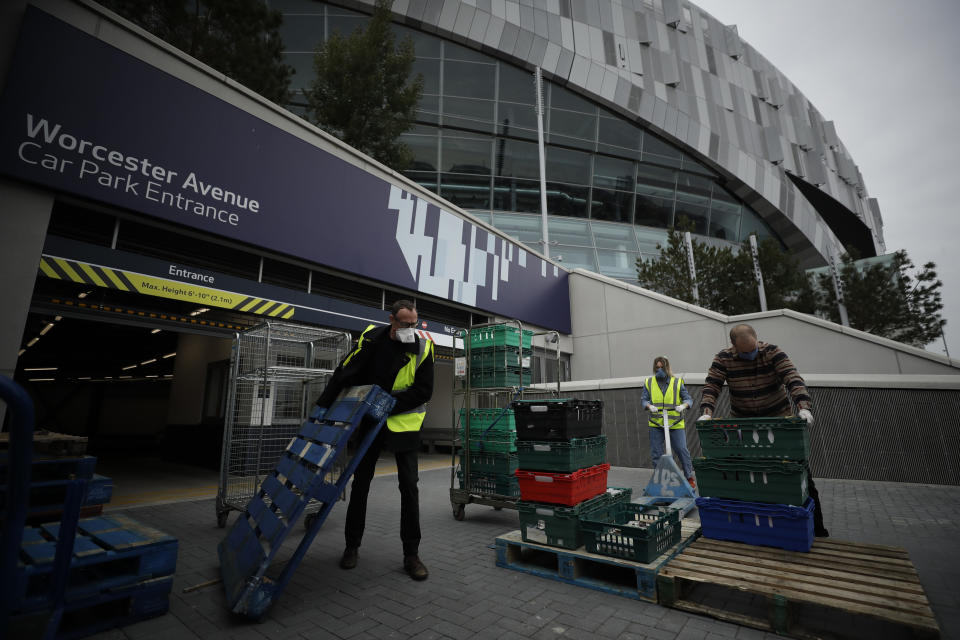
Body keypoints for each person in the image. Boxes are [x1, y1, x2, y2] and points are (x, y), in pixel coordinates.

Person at [314, 300, 435, 580]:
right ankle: (351, 547)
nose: (410, 329)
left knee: (409, 488)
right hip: (369, 424)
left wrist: (388, 404)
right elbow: (345, 372)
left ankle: (412, 554)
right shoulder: (371, 338)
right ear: (392, 320)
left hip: (404, 425)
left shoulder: (423, 347)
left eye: (414, 324)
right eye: (405, 324)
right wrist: (323, 407)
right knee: (361, 485)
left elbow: (424, 391)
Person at [698, 323, 828, 537]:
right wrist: (706, 412)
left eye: (753, 350)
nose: (750, 354)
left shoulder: (773, 352)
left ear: (757, 340)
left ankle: (818, 529)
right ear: (734, 347)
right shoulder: (723, 358)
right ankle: (751, 526)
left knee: (798, 474)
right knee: (747, 476)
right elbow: (712, 386)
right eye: (744, 352)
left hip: (779, 423)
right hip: (745, 427)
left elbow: (793, 378)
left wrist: (803, 407)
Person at [641, 356, 696, 489]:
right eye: (657, 367)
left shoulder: (677, 382)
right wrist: (649, 406)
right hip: (656, 423)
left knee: (682, 450)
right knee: (656, 453)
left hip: (675, 423)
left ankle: (689, 477)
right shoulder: (649, 382)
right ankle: (661, 480)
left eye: (662, 367)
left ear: (667, 367)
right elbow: (644, 400)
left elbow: (688, 399)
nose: (659, 370)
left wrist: (683, 406)